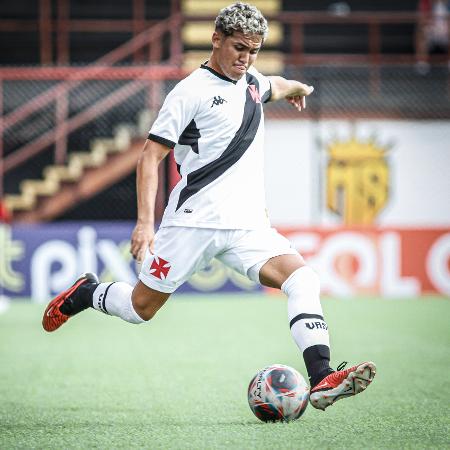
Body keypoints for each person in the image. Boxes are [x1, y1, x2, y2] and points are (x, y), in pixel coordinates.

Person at [42, 2, 376, 411]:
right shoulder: (189, 93)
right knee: (138, 309)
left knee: (303, 280)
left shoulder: (251, 80)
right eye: (238, 48)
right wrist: (144, 224)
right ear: (216, 39)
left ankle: (323, 378)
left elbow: (276, 83)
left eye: (253, 51)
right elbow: (150, 158)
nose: (245, 58)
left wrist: (299, 89)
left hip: (247, 226)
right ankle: (88, 292)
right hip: (192, 224)